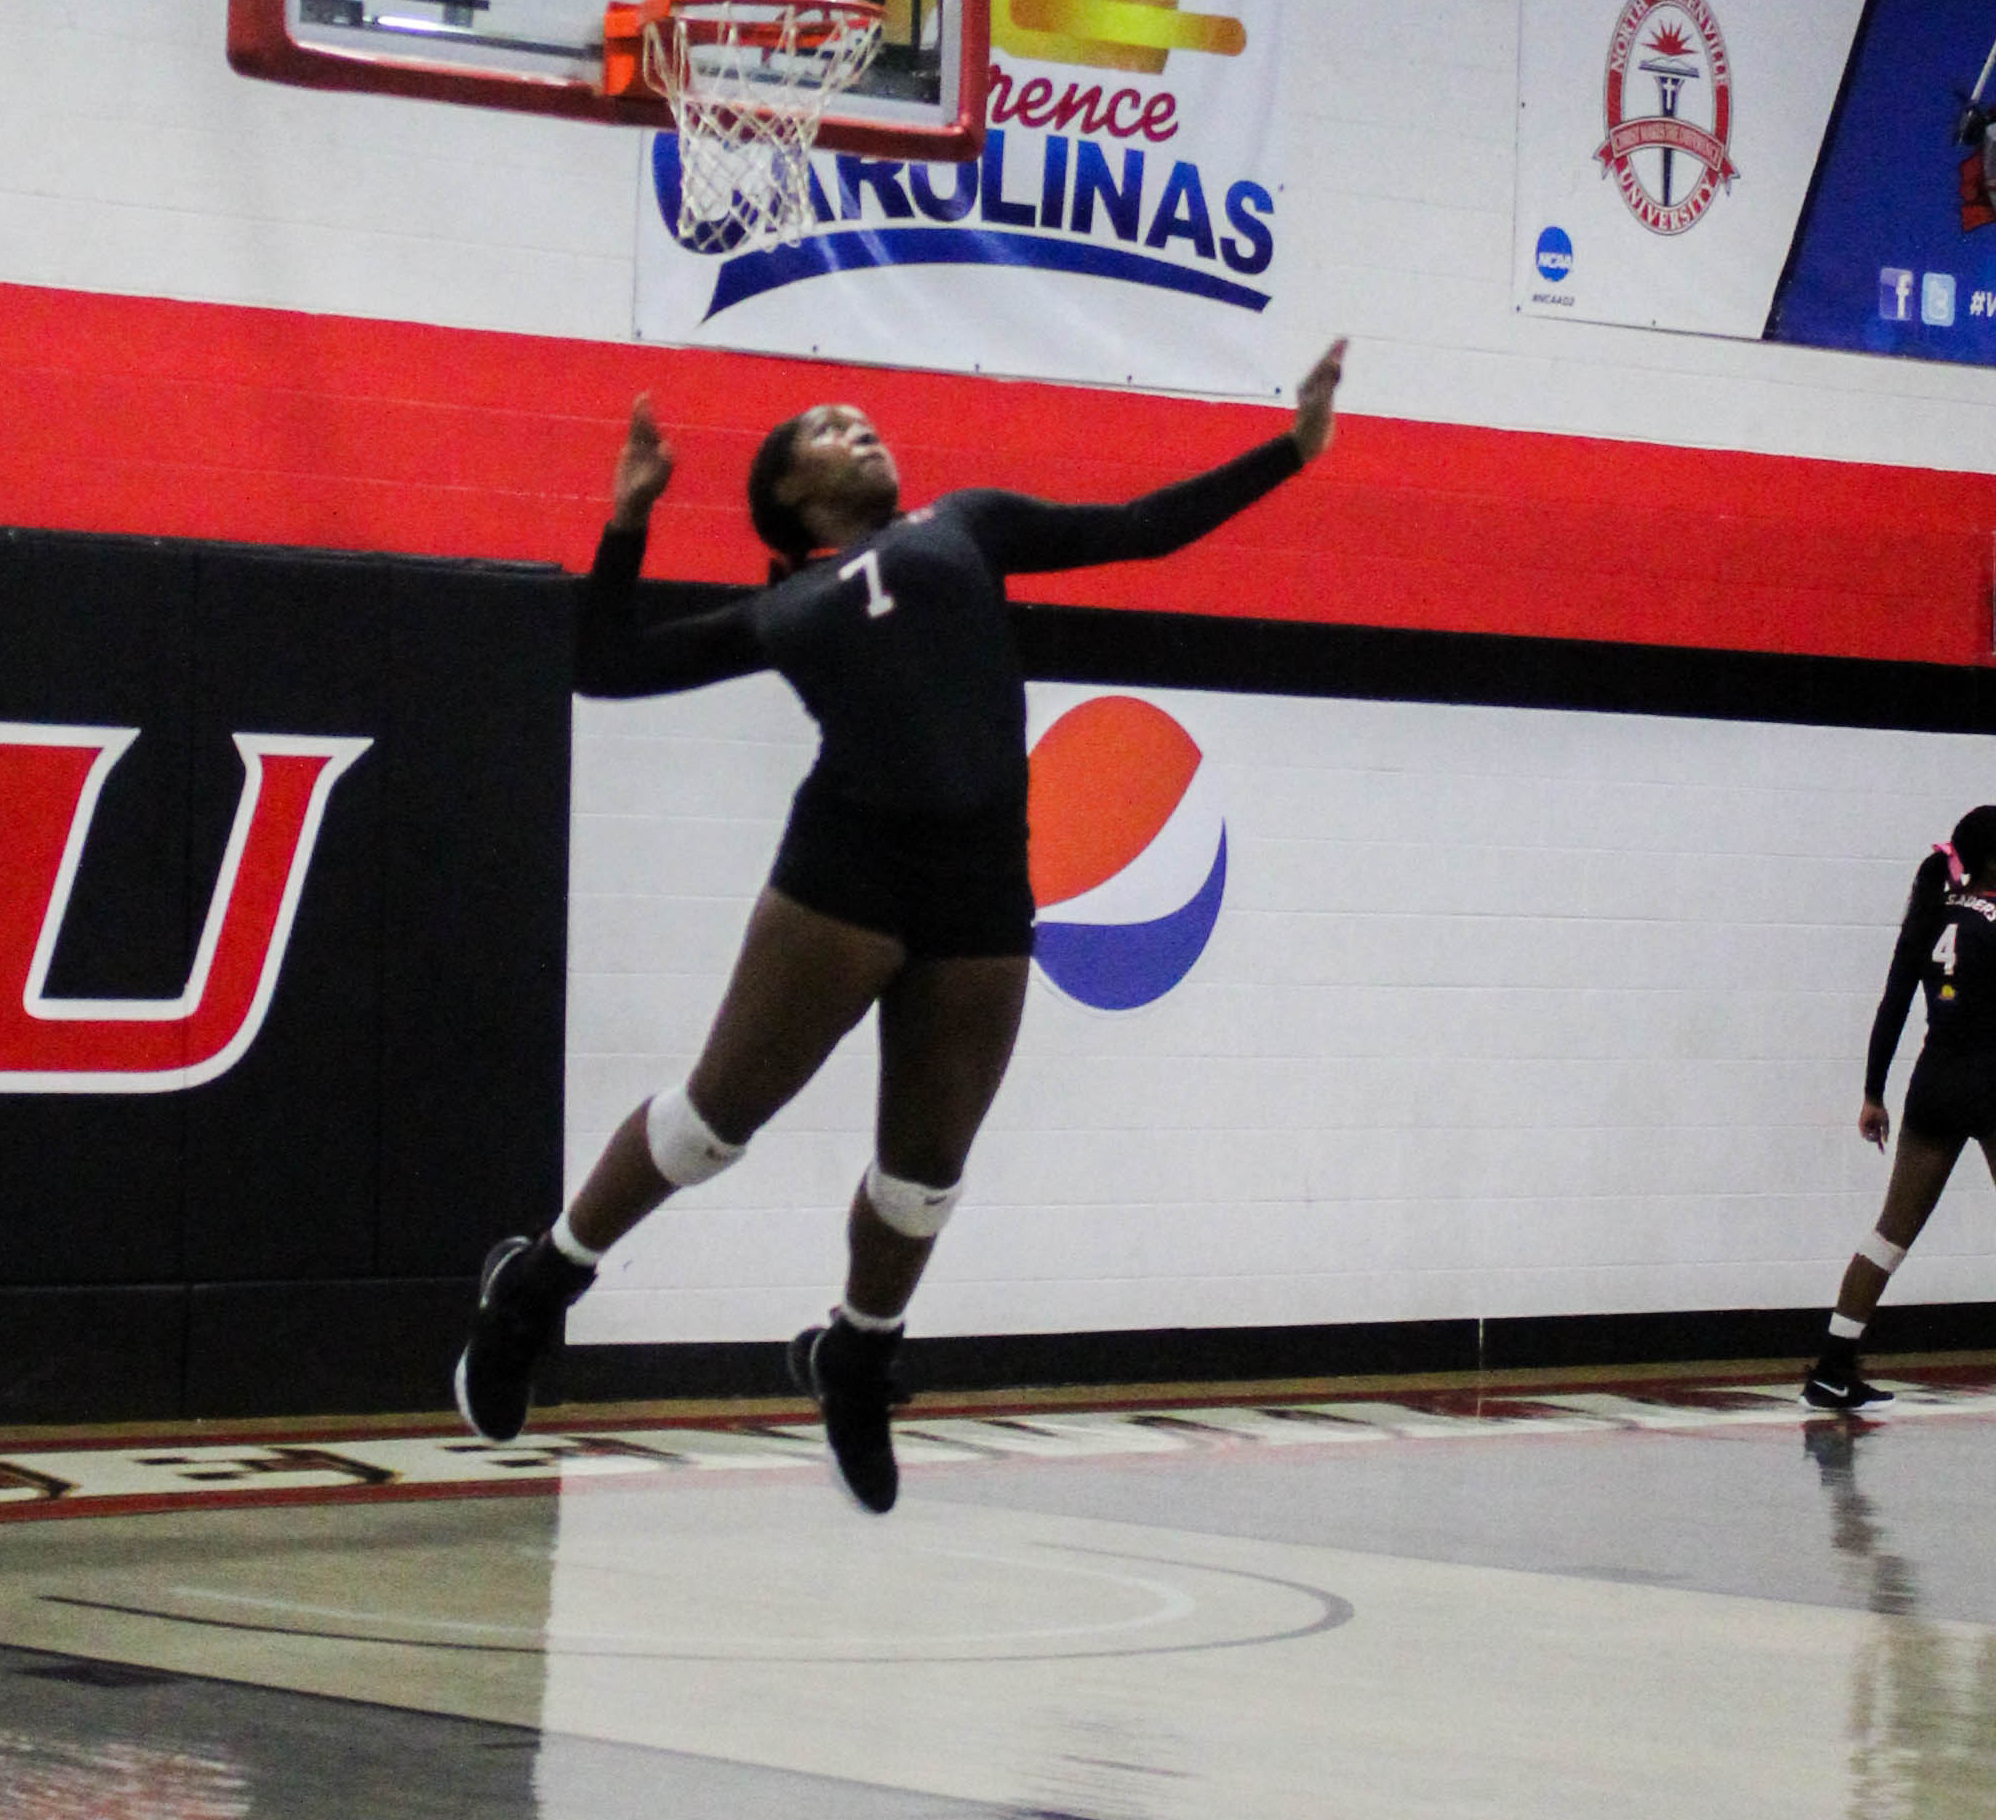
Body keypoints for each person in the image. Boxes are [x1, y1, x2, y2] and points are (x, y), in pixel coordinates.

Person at [456, 341, 1348, 1508]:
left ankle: (855, 1355)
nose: (858, 427)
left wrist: (1289, 450)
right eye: (828, 425)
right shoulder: (784, 605)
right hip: (846, 868)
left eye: (860, 417)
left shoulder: (964, 523)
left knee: (923, 1178)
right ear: (788, 492)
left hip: (980, 880)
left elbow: (1138, 527)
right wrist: (628, 521)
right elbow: (605, 666)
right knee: (710, 1129)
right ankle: (537, 1287)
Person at [1806, 801, 1996, 1414]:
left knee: (1889, 1236)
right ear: (1994, 860)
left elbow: (1895, 1003)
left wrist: (1873, 1092)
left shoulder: (1932, 912)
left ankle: (1830, 1371)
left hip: (1931, 1089)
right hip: (1994, 1090)